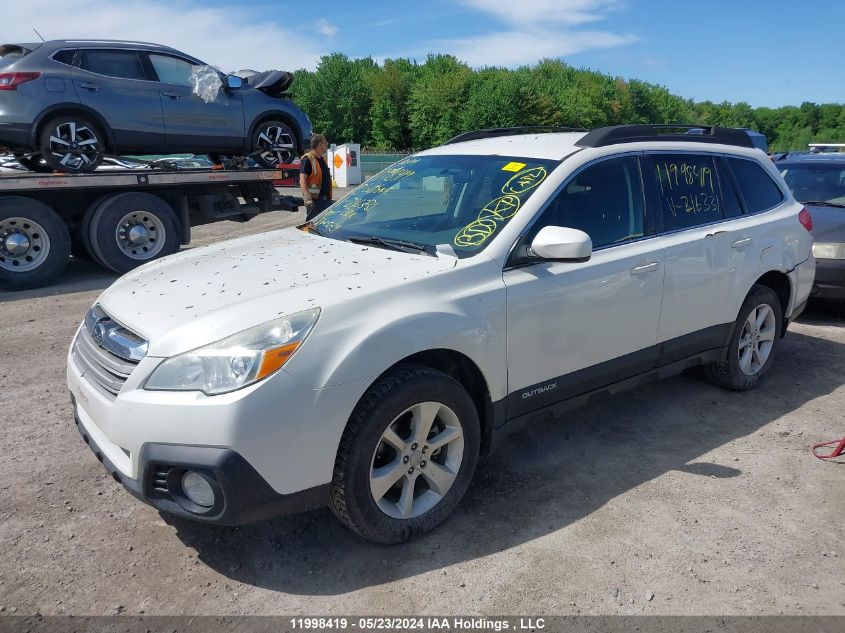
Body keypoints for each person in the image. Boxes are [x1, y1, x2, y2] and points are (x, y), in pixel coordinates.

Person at [300, 133, 333, 220]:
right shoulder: (308, 159)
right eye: (325, 142)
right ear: (319, 145)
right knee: (313, 227)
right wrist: (307, 199)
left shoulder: (323, 160)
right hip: (315, 202)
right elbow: (302, 179)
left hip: (325, 200)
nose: (327, 144)